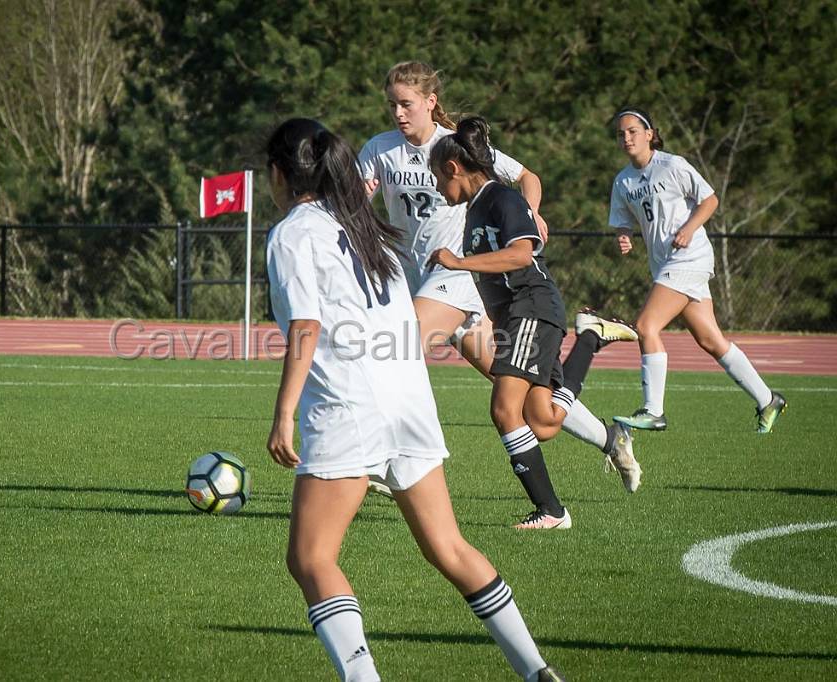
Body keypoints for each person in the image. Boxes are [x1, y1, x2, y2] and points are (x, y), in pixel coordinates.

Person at [265, 117, 565, 681]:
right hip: (410, 399)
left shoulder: (293, 233)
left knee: (310, 559)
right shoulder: (364, 226)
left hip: (351, 406)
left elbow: (306, 324)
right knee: (448, 548)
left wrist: (284, 414)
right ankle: (536, 671)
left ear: (279, 174)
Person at [358, 61, 638, 492]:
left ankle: (392, 459)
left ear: (431, 102)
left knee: (400, 346)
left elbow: (527, 176)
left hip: (458, 278)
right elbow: (357, 200)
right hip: (416, 280)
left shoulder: (457, 146)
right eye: (392, 104)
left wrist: (531, 213)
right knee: (525, 395)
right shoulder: (379, 148)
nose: (398, 113)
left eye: (407, 104)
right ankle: (611, 439)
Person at [425, 116, 639, 529]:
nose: (436, 187)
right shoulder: (474, 208)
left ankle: (552, 512)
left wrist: (459, 262)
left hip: (532, 306)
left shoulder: (502, 199)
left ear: (453, 169)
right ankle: (590, 338)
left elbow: (522, 255)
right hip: (518, 316)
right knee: (543, 421)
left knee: (505, 409)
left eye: (437, 177)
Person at [608, 108, 787, 433]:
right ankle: (767, 399)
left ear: (650, 134)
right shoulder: (623, 181)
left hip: (689, 258)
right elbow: (622, 219)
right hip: (664, 265)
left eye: (633, 131)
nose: (627, 138)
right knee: (710, 339)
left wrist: (689, 228)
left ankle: (653, 410)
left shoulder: (672, 165)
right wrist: (624, 235)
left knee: (646, 326)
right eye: (621, 134)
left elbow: (709, 200)